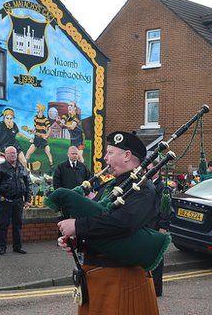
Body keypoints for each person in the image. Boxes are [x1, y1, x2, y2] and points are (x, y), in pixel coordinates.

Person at [57, 131, 160, 315]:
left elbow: (122, 224)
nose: (105, 158)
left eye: (110, 152)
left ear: (127, 155)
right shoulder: (109, 186)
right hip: (97, 276)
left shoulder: (143, 189)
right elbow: (97, 221)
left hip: (122, 279)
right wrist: (77, 239)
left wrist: (78, 226)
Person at [0, 146, 31, 255]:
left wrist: (27, 200)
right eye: (10, 153)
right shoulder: (0, 167)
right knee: (4, 225)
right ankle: (2, 247)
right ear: (5, 155)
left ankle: (17, 247)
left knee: (18, 225)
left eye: (14, 153)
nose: (13, 155)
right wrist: (0, 198)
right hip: (5, 201)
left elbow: (28, 184)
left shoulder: (21, 167)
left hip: (18, 201)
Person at [148, 159, 173, 297]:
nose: (148, 171)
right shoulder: (147, 184)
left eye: (151, 169)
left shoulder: (163, 188)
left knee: (157, 259)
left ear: (157, 170)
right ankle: (148, 286)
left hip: (157, 227)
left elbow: (166, 210)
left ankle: (157, 290)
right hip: (147, 225)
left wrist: (163, 227)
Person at [25, 103, 54, 168]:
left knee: (48, 151)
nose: (36, 109)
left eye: (37, 108)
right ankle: (24, 163)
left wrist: (46, 135)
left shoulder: (45, 119)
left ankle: (51, 163)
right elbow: (35, 128)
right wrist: (31, 131)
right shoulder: (35, 118)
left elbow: (49, 128)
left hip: (43, 139)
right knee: (29, 151)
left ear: (41, 109)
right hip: (37, 138)